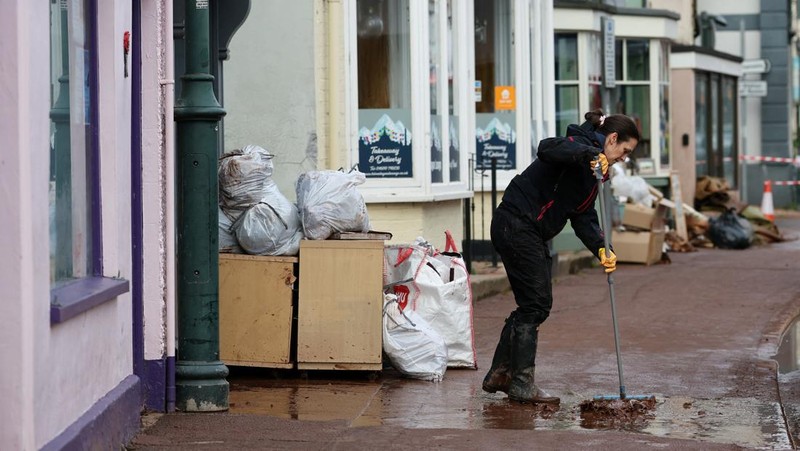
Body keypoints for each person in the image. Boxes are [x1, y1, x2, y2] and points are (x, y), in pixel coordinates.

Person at [482, 109, 640, 404]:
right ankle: (519, 383)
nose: (624, 157)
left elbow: (582, 214)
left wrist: (602, 247)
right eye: (624, 151)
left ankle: (501, 374)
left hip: (530, 230)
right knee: (536, 304)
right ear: (613, 138)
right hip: (516, 223)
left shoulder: (597, 170)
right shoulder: (574, 143)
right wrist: (589, 155)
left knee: (533, 305)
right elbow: (547, 148)